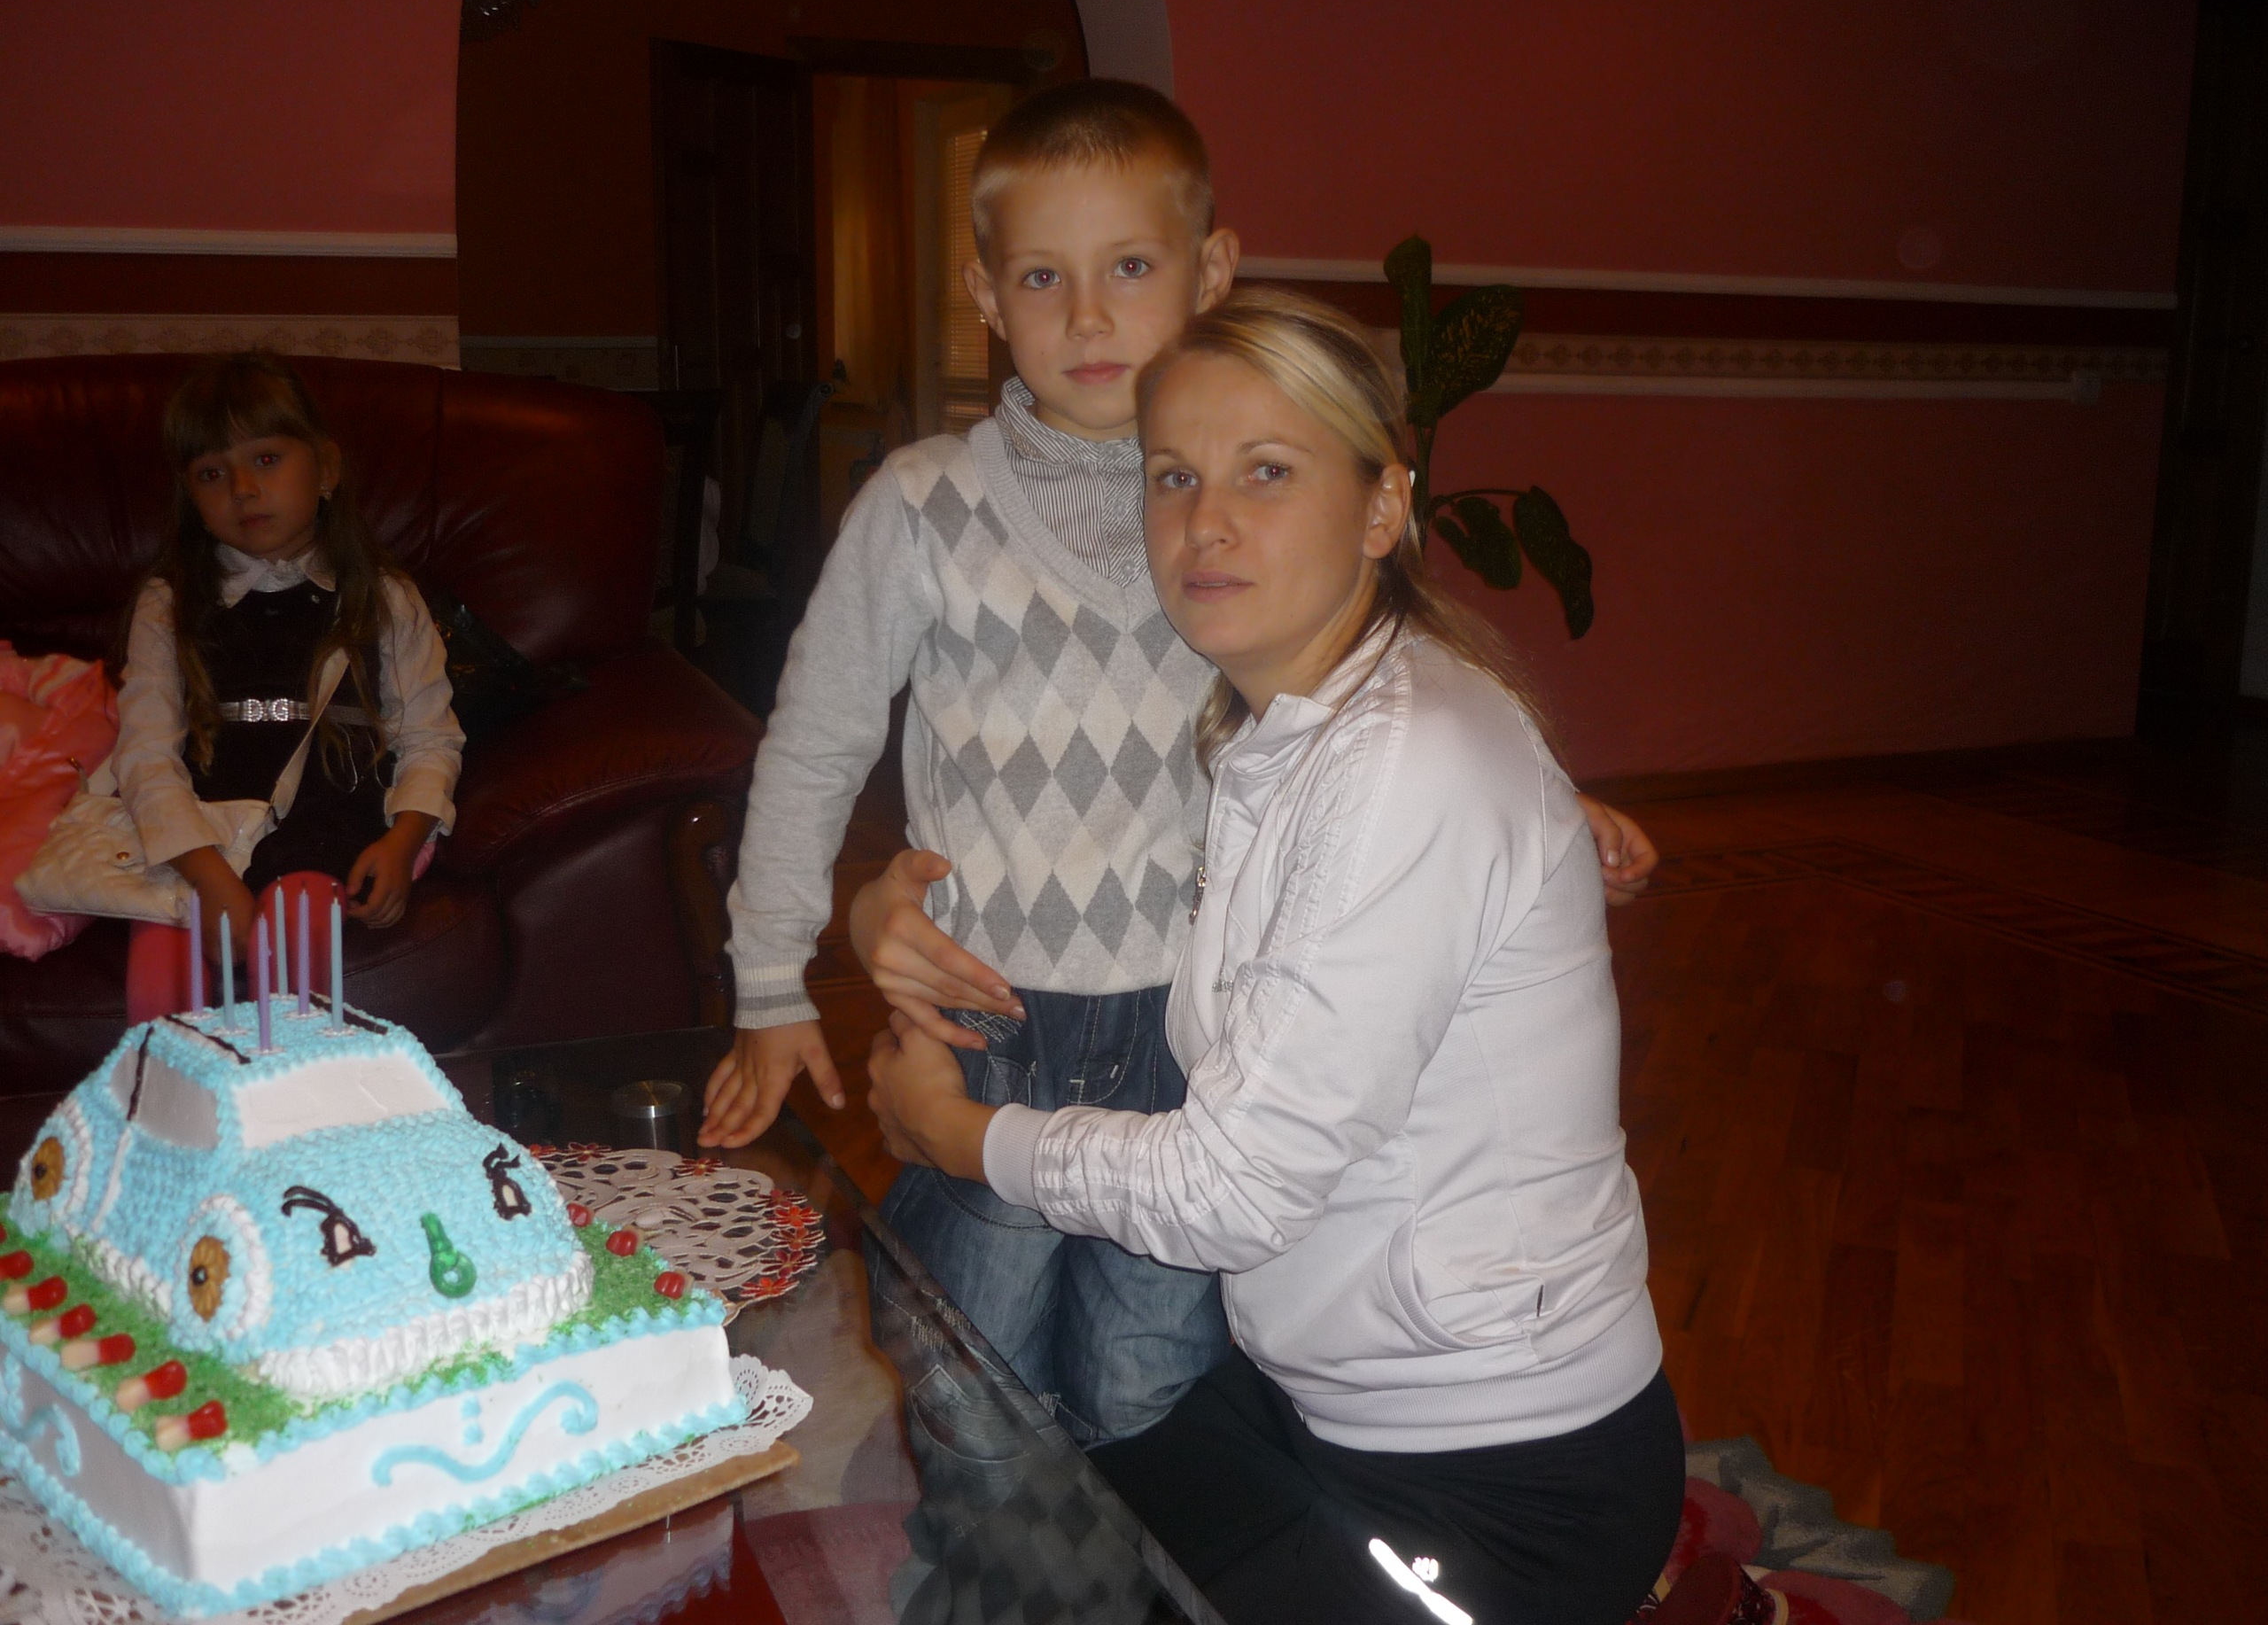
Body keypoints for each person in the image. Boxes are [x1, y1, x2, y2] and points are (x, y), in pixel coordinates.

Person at [702, 78, 1656, 1447]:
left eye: (1132, 269)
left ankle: (1137, 1547)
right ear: (984, 293)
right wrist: (769, 979)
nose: (1089, 318)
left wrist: (1540, 804)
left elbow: (1369, 694)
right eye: (1044, 276)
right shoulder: (922, 507)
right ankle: (987, 1553)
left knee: (1146, 1378)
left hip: (1198, 1023)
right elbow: (814, 740)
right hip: (987, 1016)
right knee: (968, 1359)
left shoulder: (1244, 509)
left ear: (1210, 272)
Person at [866, 289, 1684, 1625]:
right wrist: (876, 912)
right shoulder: (1277, 725)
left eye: (1267, 472)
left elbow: (1231, 1192)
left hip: (1497, 1485)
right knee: (1059, 1535)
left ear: (1381, 507)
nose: (1205, 522)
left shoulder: (1405, 758)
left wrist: (959, 1135)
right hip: (1327, 1402)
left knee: (1072, 1579)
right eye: (1173, 476)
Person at [114, 351, 462, 1019]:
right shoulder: (169, 603)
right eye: (212, 473)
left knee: (298, 946)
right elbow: (145, 757)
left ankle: (298, 1083)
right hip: (200, 843)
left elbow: (430, 738)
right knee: (161, 976)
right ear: (191, 496)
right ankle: (173, 1087)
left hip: (325, 838)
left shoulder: (383, 597)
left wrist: (404, 840)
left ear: (326, 469)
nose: (242, 488)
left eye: (266, 459)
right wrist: (208, 875)